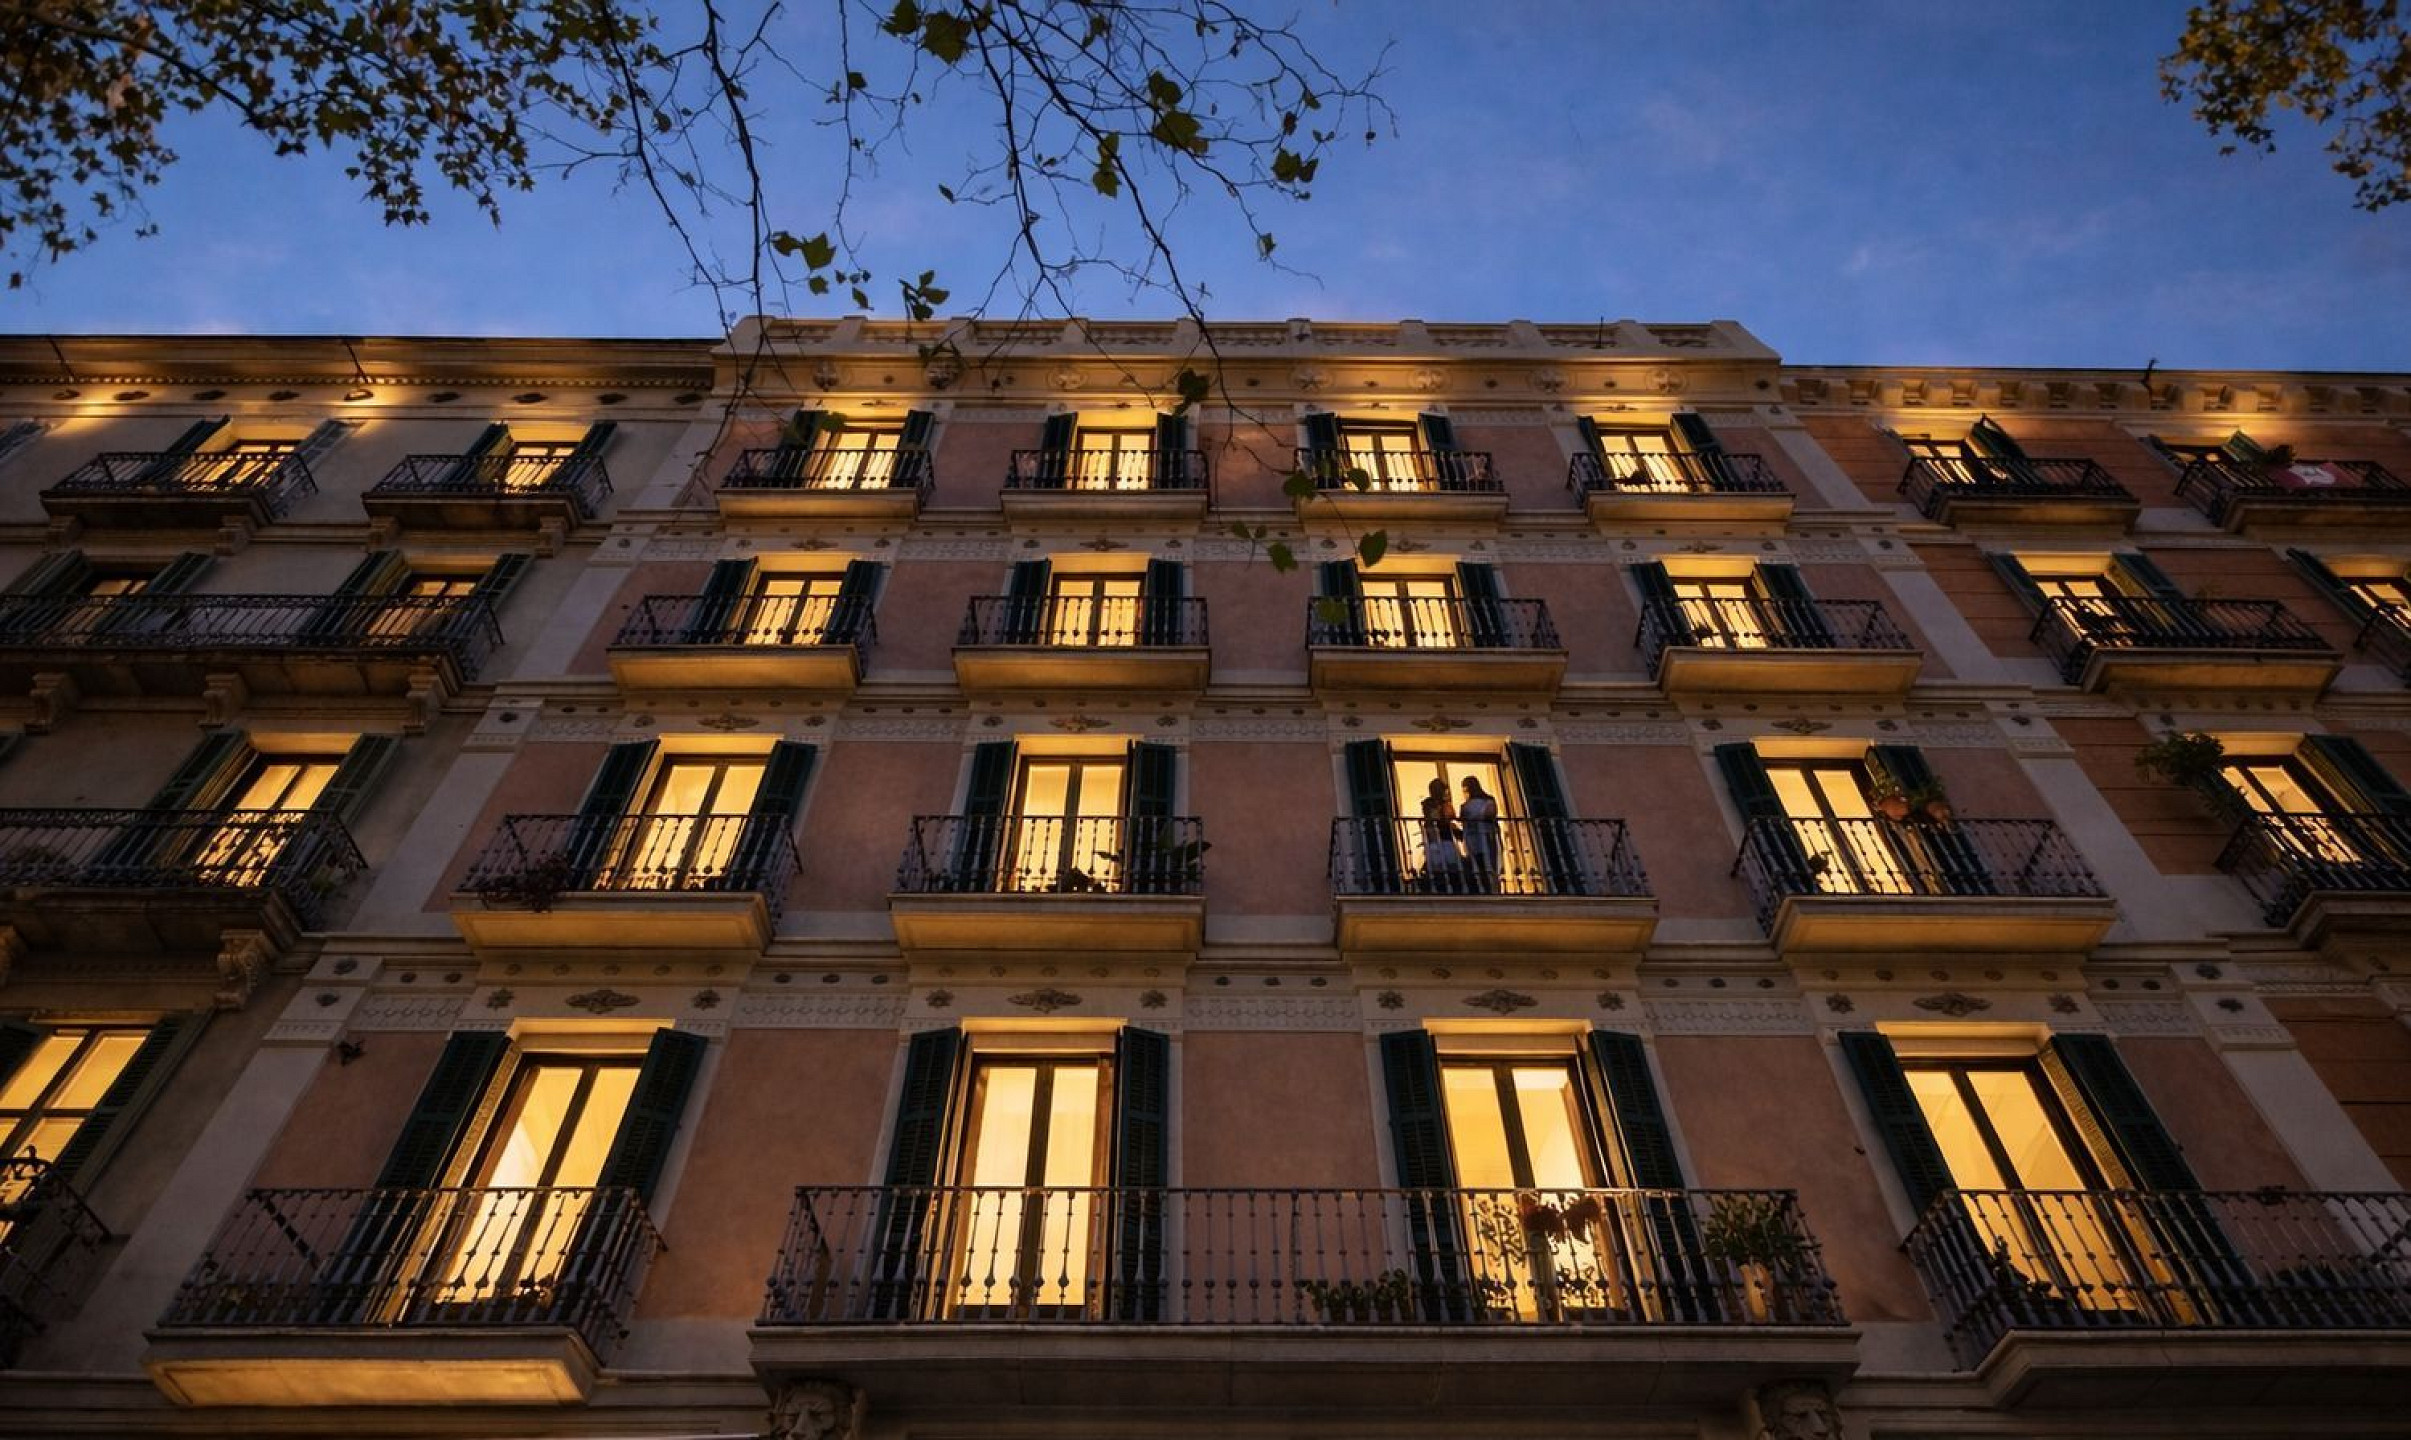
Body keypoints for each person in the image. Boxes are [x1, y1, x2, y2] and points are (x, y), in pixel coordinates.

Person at [1419, 777, 1463, 889]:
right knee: (1440, 866)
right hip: (1436, 839)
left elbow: (1451, 815)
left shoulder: (1444, 804)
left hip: (1445, 838)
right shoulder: (1429, 803)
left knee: (1450, 866)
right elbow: (1436, 817)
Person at [1459, 775, 1500, 892]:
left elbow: (1464, 820)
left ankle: (1488, 888)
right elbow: (1490, 814)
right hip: (1483, 838)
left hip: (1479, 839)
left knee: (1482, 866)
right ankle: (1492, 889)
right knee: (1489, 866)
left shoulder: (1466, 806)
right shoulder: (1488, 801)